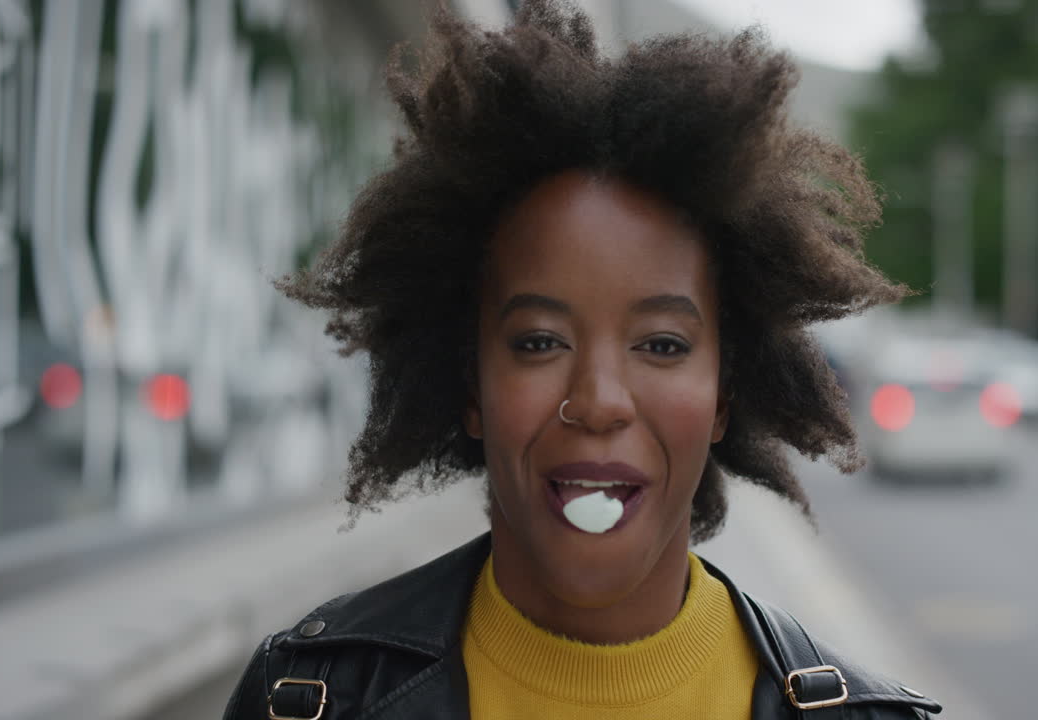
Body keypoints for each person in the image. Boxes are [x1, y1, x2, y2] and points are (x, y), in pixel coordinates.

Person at [224, 1, 941, 717]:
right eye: (539, 342)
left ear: (724, 393)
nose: (598, 402)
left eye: (662, 345)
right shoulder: (305, 701)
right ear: (471, 383)